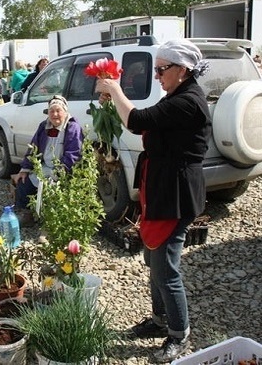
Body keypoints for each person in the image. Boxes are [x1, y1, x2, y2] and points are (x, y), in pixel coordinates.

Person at [95, 39, 211, 363]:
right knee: (153, 260)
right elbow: (141, 120)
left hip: (176, 194)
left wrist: (115, 88)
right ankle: (160, 320)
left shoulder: (188, 101)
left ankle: (179, 333)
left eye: (161, 70)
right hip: (161, 189)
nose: (157, 75)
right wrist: (113, 98)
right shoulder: (176, 95)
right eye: (157, 69)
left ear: (183, 70)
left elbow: (137, 120)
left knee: (166, 268)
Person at [14, 95, 83, 225]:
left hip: (64, 169)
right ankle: (28, 215)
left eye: (58, 111)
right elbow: (33, 147)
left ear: (65, 112)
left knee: (53, 188)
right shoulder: (44, 126)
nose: (55, 114)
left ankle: (51, 221)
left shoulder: (72, 127)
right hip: (45, 167)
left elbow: (73, 154)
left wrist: (60, 171)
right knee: (24, 182)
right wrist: (25, 168)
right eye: (52, 111)